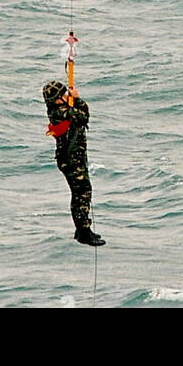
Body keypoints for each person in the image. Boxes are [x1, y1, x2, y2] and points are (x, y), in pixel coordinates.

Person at [42, 79, 105, 246]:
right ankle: (83, 231)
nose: (65, 95)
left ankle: (82, 229)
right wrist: (77, 99)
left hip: (73, 157)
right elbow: (83, 116)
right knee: (82, 192)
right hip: (71, 160)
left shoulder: (60, 109)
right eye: (62, 94)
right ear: (57, 99)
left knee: (81, 191)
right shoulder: (61, 112)